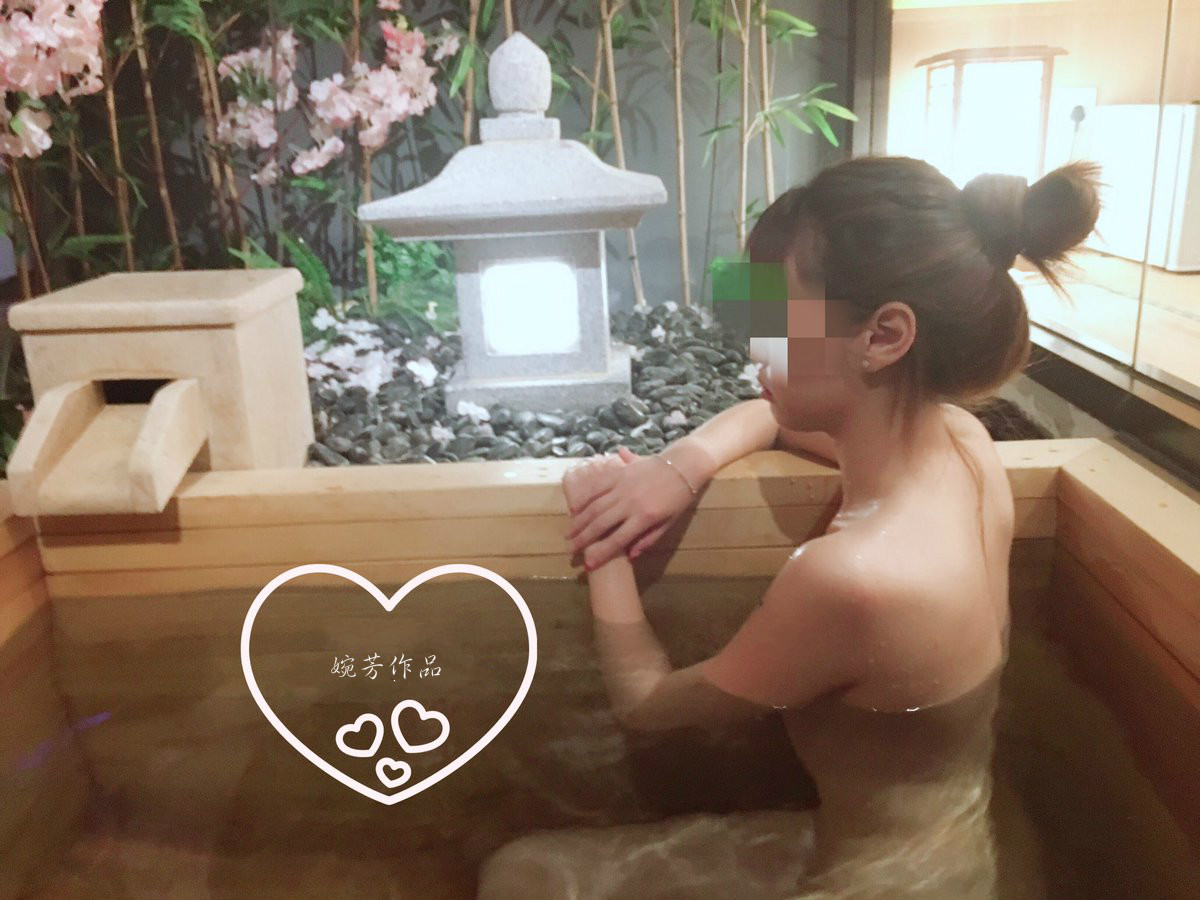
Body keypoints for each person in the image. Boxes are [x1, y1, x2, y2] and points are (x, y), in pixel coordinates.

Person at [476, 156, 1100, 900]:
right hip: (950, 848)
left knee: (523, 879)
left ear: (884, 335)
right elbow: (772, 417)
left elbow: (648, 705)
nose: (756, 344)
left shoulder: (854, 579)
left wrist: (600, 534)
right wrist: (677, 468)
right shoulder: (963, 445)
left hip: (876, 885)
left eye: (782, 317)